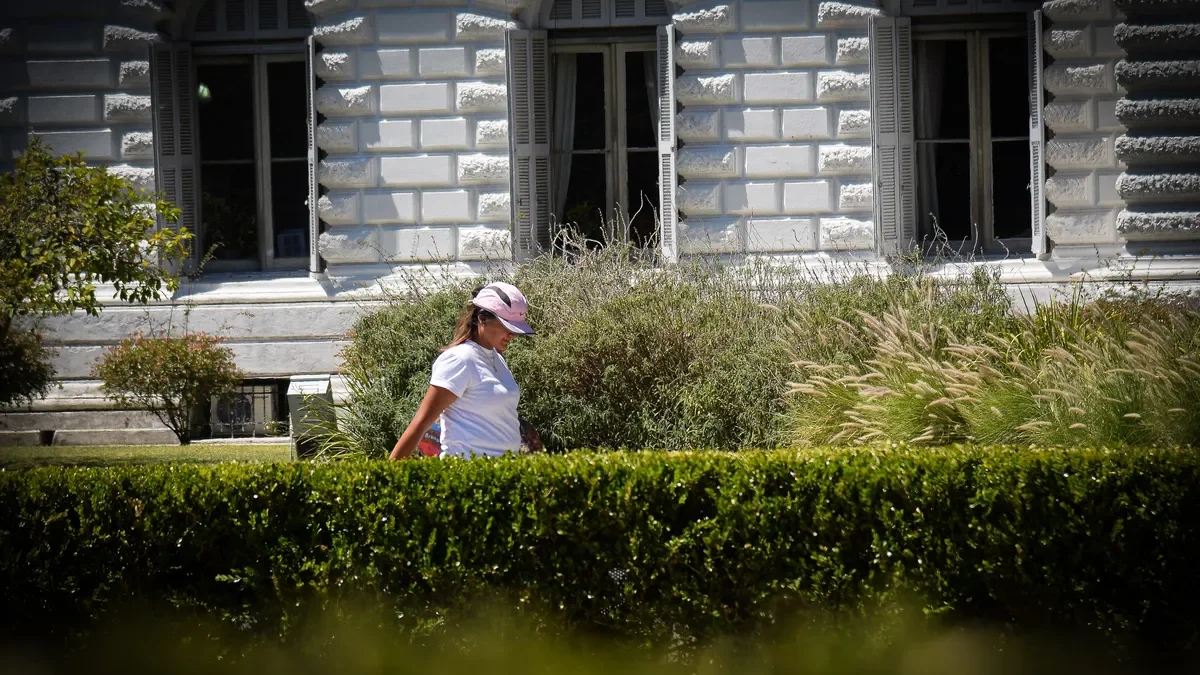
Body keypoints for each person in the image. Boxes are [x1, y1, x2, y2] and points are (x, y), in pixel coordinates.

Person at [389, 282, 536, 460]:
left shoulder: (497, 359)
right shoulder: (460, 359)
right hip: (467, 471)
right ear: (482, 319)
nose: (512, 335)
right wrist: (388, 473)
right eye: (507, 326)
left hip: (503, 471)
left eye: (515, 328)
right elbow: (421, 423)